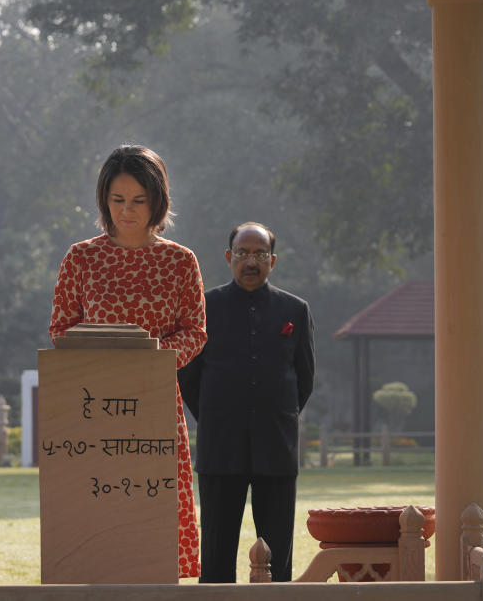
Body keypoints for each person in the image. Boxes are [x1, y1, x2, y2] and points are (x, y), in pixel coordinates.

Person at [49, 144, 206, 579]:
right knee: (99, 516)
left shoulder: (179, 261)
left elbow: (195, 331)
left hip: (154, 403)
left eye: (138, 201)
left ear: (158, 201)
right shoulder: (81, 257)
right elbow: (61, 328)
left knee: (153, 517)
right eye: (117, 200)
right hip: (95, 407)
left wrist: (151, 360)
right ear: (104, 201)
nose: (127, 211)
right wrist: (103, 361)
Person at [177, 222, 315, 583]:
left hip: (276, 448)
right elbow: (188, 378)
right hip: (221, 448)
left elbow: (305, 379)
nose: (250, 261)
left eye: (259, 254)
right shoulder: (204, 307)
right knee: (217, 556)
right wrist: (216, 416)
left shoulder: (295, 311)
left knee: (277, 559)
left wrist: (273, 415)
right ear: (228, 257)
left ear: (273, 260)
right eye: (242, 253)